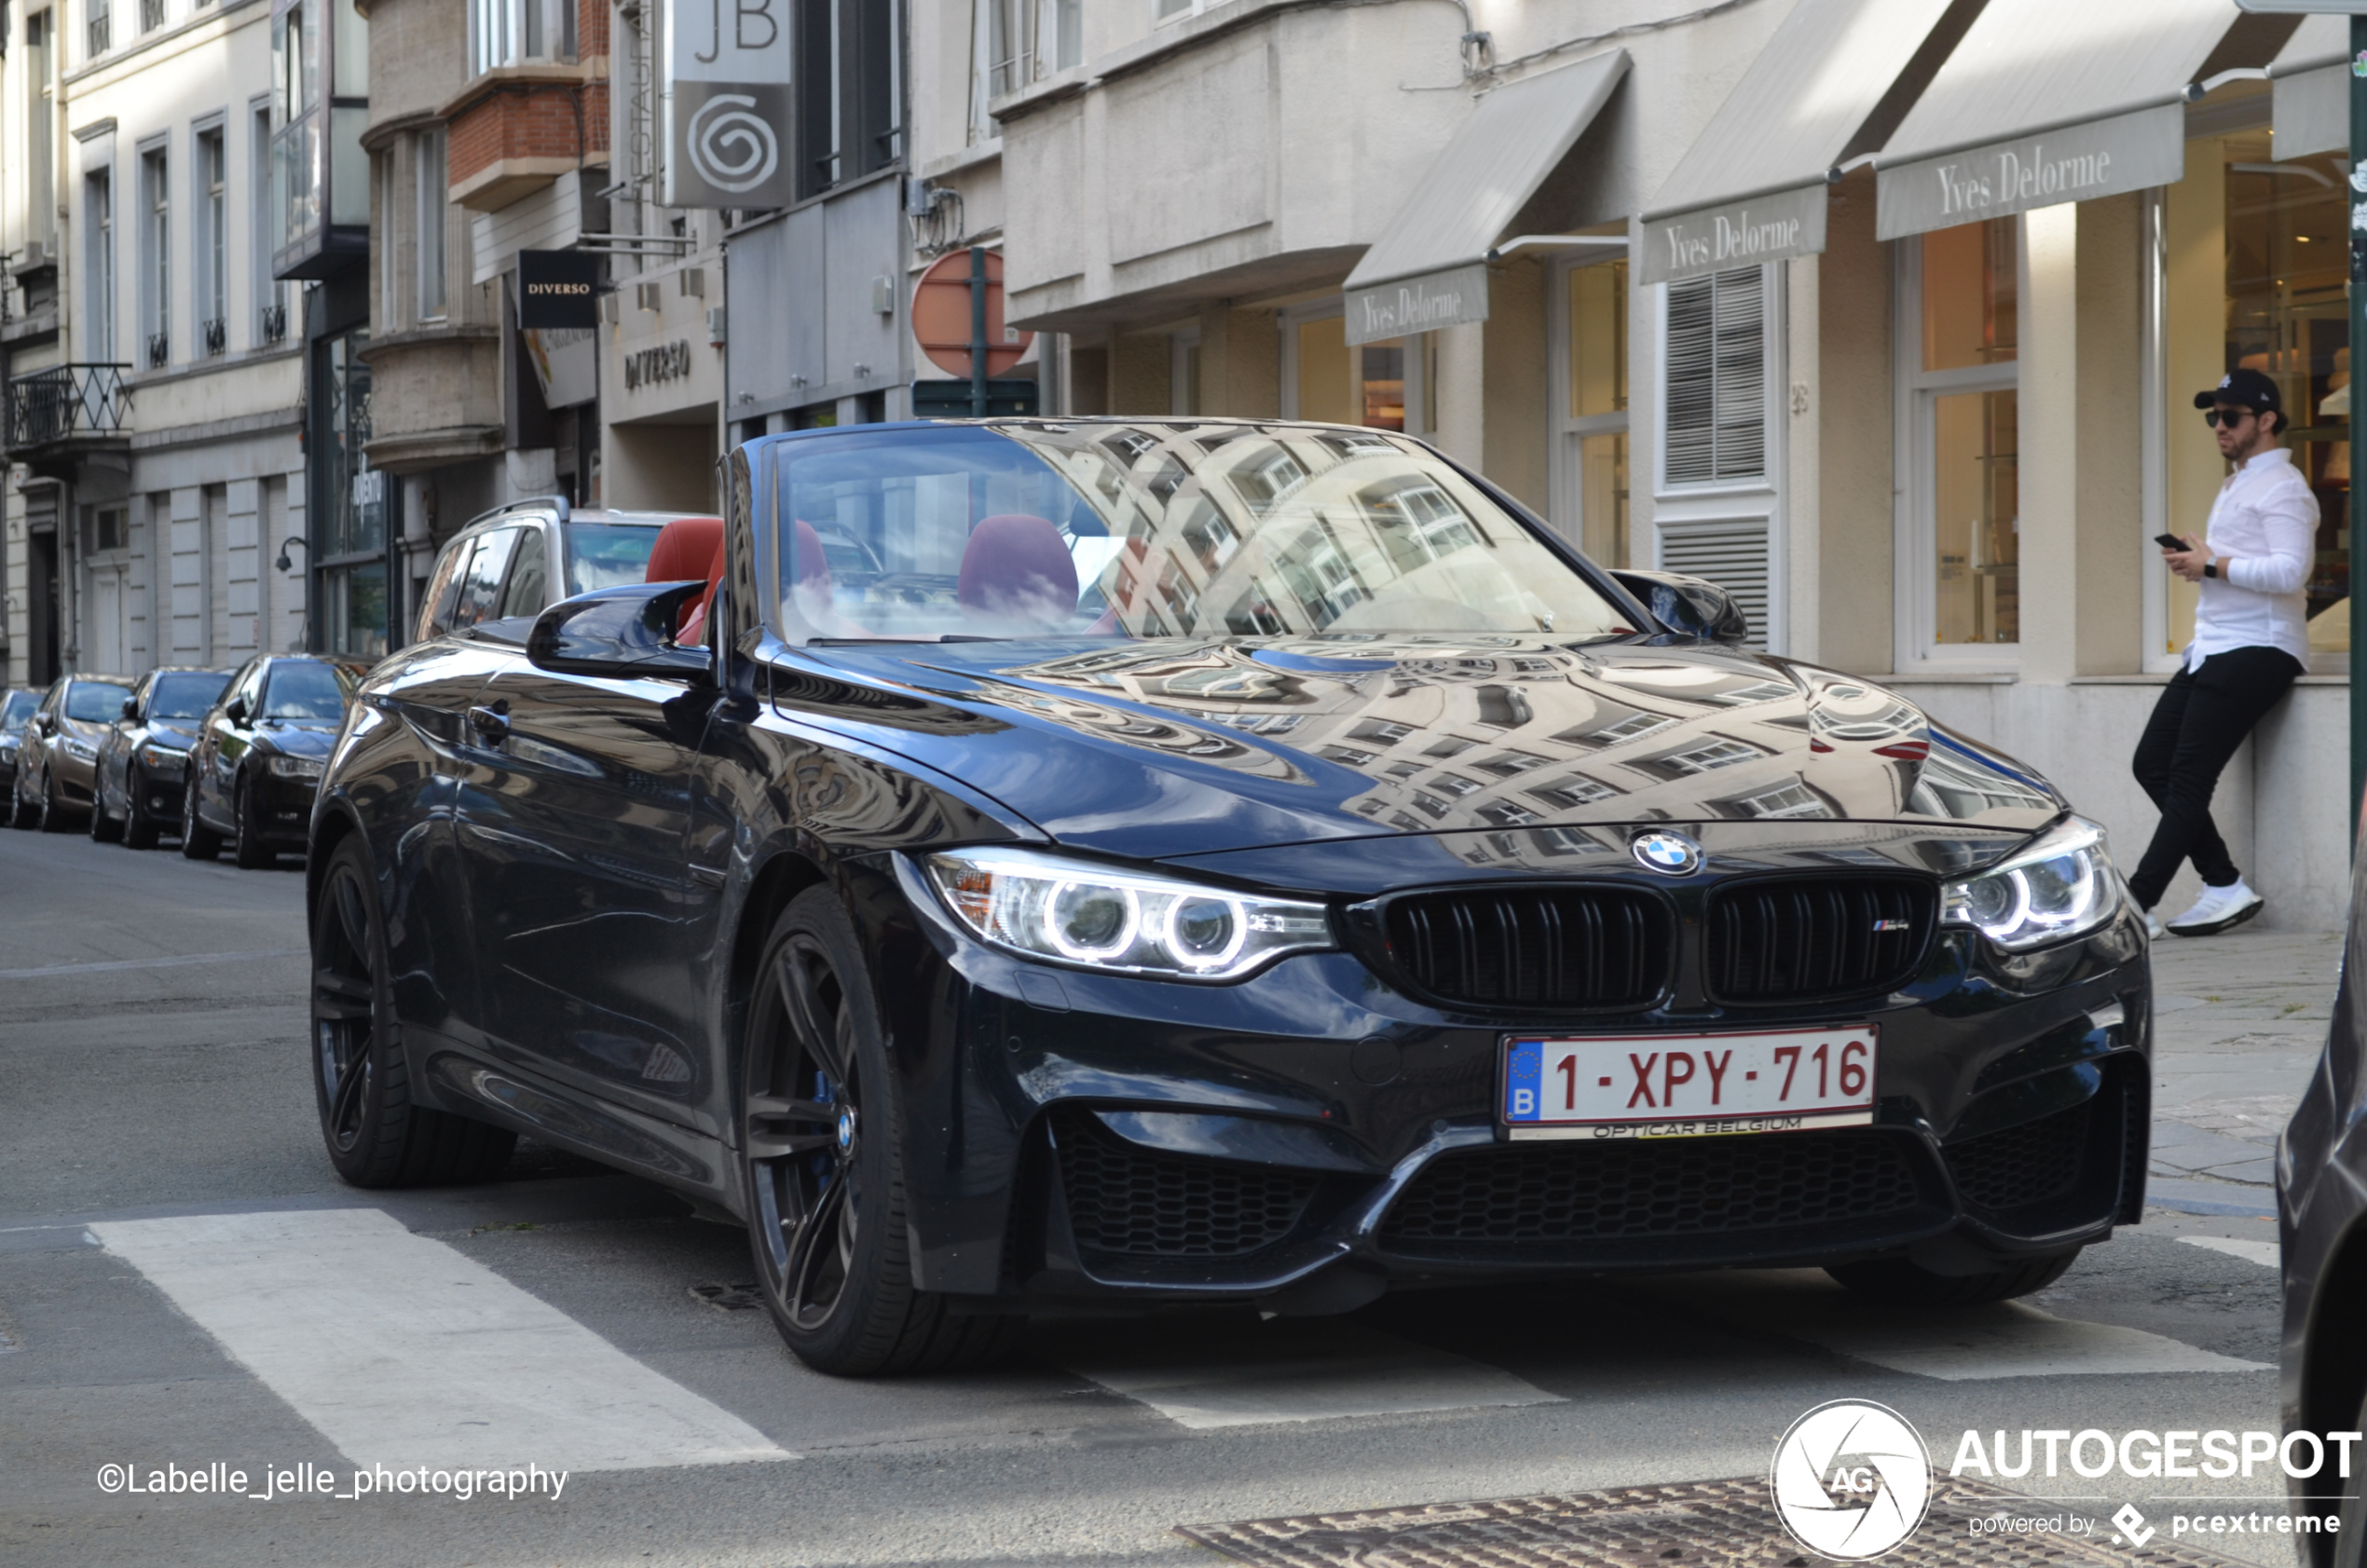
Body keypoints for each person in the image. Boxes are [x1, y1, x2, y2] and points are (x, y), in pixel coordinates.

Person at [2130, 368, 2314, 937]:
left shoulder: (2284, 487)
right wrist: (2202, 559)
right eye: (2214, 416)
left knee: (2186, 776)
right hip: (2213, 646)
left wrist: (2211, 563)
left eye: (2230, 417)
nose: (2219, 426)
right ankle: (2224, 883)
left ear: (2266, 421)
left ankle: (2136, 905)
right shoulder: (2238, 484)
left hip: (2258, 647)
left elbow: (2291, 570)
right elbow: (2246, 562)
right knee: (2152, 764)